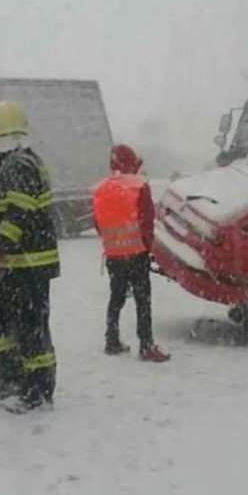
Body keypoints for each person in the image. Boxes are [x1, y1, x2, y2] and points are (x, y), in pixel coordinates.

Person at [0, 100, 59, 413]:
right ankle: (11, 378)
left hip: (28, 262)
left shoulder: (19, 165)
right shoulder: (16, 162)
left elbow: (19, 213)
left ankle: (38, 392)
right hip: (18, 262)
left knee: (30, 327)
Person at [92, 144, 170, 362]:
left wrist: (114, 242)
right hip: (137, 253)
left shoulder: (101, 189)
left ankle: (112, 339)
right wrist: (149, 246)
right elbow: (147, 220)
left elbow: (98, 224)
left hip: (114, 255)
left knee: (116, 297)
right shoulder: (139, 186)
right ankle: (146, 345)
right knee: (142, 300)